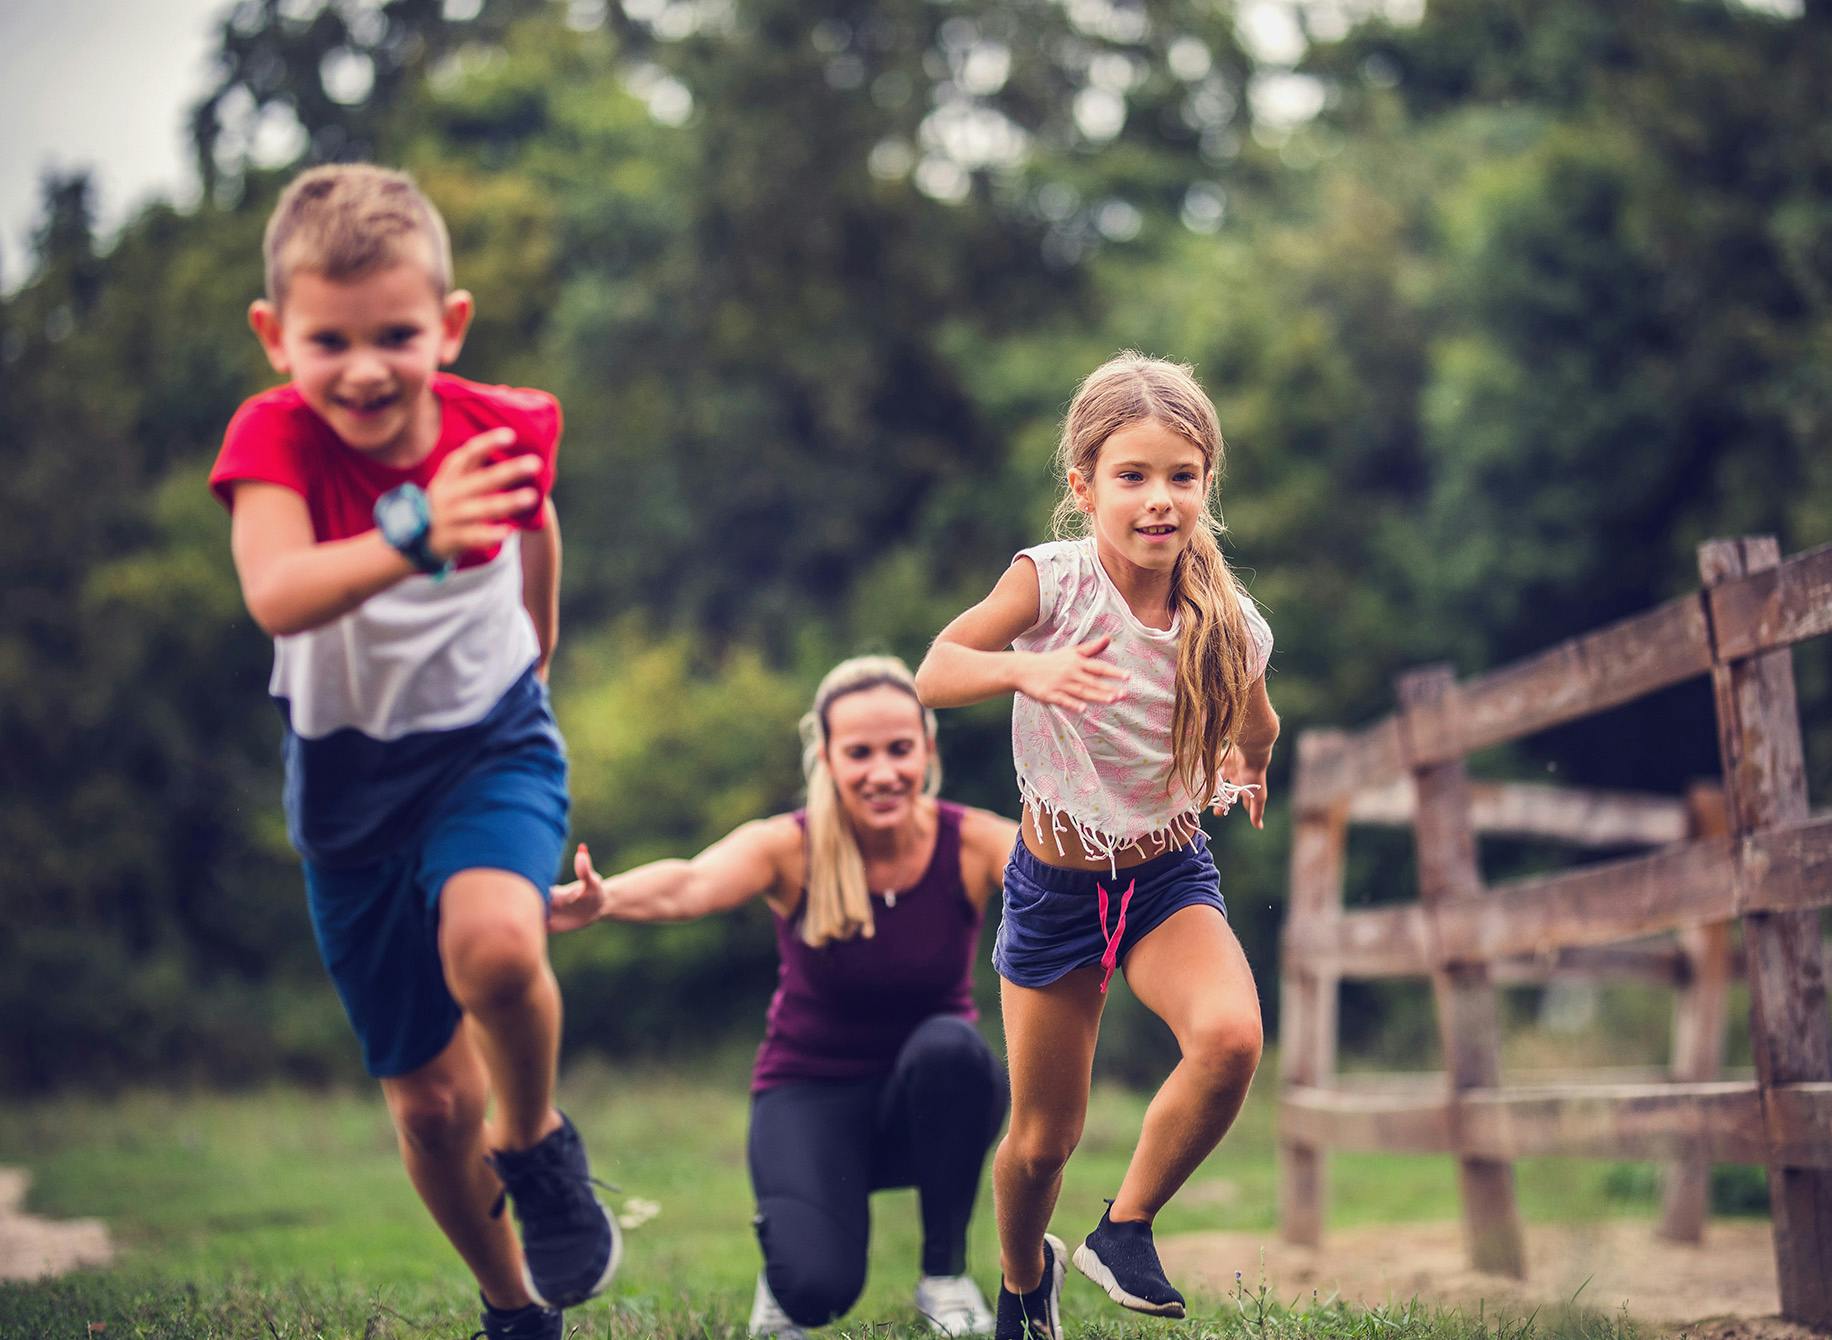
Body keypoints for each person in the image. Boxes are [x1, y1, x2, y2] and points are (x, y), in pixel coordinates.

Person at [208, 163, 617, 1340]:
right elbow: (278, 593)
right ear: (275, 337)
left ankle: (538, 1142)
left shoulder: (504, 422)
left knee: (494, 944)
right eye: (329, 339)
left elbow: (535, 515)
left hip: (489, 744)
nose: (368, 366)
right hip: (344, 791)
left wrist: (535, 648)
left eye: (396, 332)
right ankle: (512, 1305)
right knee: (434, 1104)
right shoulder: (273, 439)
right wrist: (411, 528)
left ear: (448, 324)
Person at [914, 352, 1280, 1339]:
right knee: (1039, 1142)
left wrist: (1246, 770)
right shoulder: (1053, 581)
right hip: (1054, 888)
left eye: (1180, 475)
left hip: (1165, 876)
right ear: (1083, 486)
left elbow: (1258, 723)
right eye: (1132, 475)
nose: (1158, 499)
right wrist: (1021, 675)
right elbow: (935, 669)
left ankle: (1124, 1228)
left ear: (1206, 484)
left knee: (1231, 1038)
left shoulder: (1229, 625)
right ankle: (1024, 1279)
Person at [550, 655, 1017, 1337]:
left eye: (899, 749)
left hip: (929, 1102)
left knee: (955, 1048)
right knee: (814, 1294)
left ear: (927, 750)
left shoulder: (971, 841)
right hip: (810, 1096)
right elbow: (690, 883)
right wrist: (604, 899)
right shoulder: (790, 848)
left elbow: (1066, 873)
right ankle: (796, 1244)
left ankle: (943, 1278)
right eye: (859, 753)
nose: (882, 772)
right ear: (825, 757)